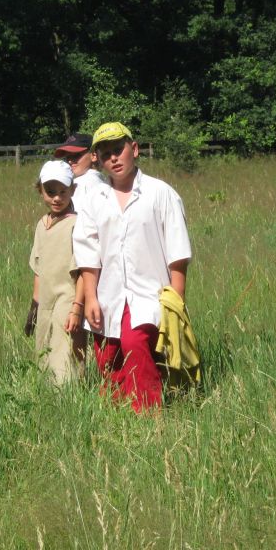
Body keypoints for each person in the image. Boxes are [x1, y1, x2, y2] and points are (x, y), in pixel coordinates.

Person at [73, 122, 192, 412]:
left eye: (119, 149)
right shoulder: (93, 199)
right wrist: (90, 297)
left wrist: (176, 302)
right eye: (105, 154)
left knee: (135, 343)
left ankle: (148, 413)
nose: (114, 158)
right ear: (97, 160)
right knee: (108, 356)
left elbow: (177, 251)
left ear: (134, 149)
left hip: (149, 294)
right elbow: (88, 253)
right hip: (108, 294)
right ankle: (117, 414)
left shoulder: (160, 193)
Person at [28, 160, 87, 384]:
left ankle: (68, 394)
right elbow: (38, 268)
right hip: (45, 300)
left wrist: (77, 308)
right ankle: (47, 394)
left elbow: (82, 271)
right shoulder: (41, 224)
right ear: (40, 190)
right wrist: (34, 306)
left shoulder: (77, 224)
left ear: (73, 190)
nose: (57, 198)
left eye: (63, 191)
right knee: (43, 350)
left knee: (64, 352)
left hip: (68, 298)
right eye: (50, 192)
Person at [53, 132, 105, 213]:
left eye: (76, 155)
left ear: (93, 156)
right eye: (67, 158)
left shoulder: (80, 183)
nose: (70, 161)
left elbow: (75, 217)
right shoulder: (101, 179)